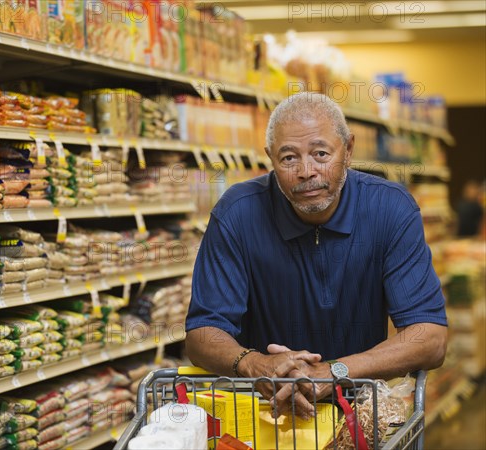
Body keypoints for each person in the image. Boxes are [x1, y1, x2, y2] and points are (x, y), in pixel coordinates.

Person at [184, 92, 448, 418]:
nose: (306, 171)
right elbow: (202, 334)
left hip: (359, 415)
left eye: (321, 153)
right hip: (267, 415)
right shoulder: (238, 214)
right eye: (289, 158)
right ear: (270, 158)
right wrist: (254, 364)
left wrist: (333, 371)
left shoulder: (390, 209)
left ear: (348, 150)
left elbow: (430, 337)